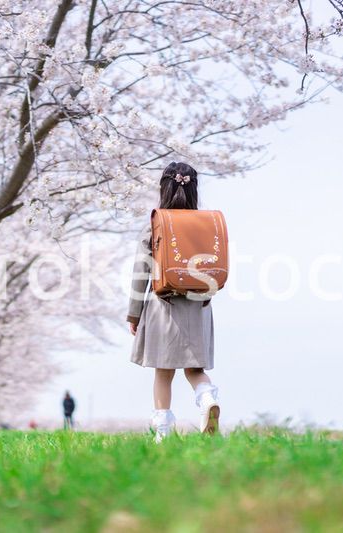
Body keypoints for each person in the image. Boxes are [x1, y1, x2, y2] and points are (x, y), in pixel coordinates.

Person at [126, 161, 220, 442]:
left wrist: (133, 314)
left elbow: (140, 271)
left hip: (162, 305)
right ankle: (206, 398)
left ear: (164, 188)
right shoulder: (207, 224)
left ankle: (163, 432)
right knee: (195, 369)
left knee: (163, 371)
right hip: (199, 304)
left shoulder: (157, 225)